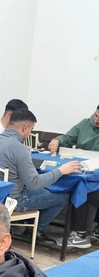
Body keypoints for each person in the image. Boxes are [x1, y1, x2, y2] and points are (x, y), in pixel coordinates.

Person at [0, 108, 81, 242]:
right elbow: (34, 183)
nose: (30, 133)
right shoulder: (20, 149)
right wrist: (62, 170)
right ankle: (35, 231)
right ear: (25, 128)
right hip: (12, 201)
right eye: (31, 130)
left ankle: (18, 226)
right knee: (63, 197)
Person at [46, 104, 99, 248]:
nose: (96, 120)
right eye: (96, 116)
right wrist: (57, 140)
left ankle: (81, 234)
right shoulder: (85, 124)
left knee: (83, 189)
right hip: (87, 176)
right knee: (81, 186)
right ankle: (80, 234)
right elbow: (67, 137)